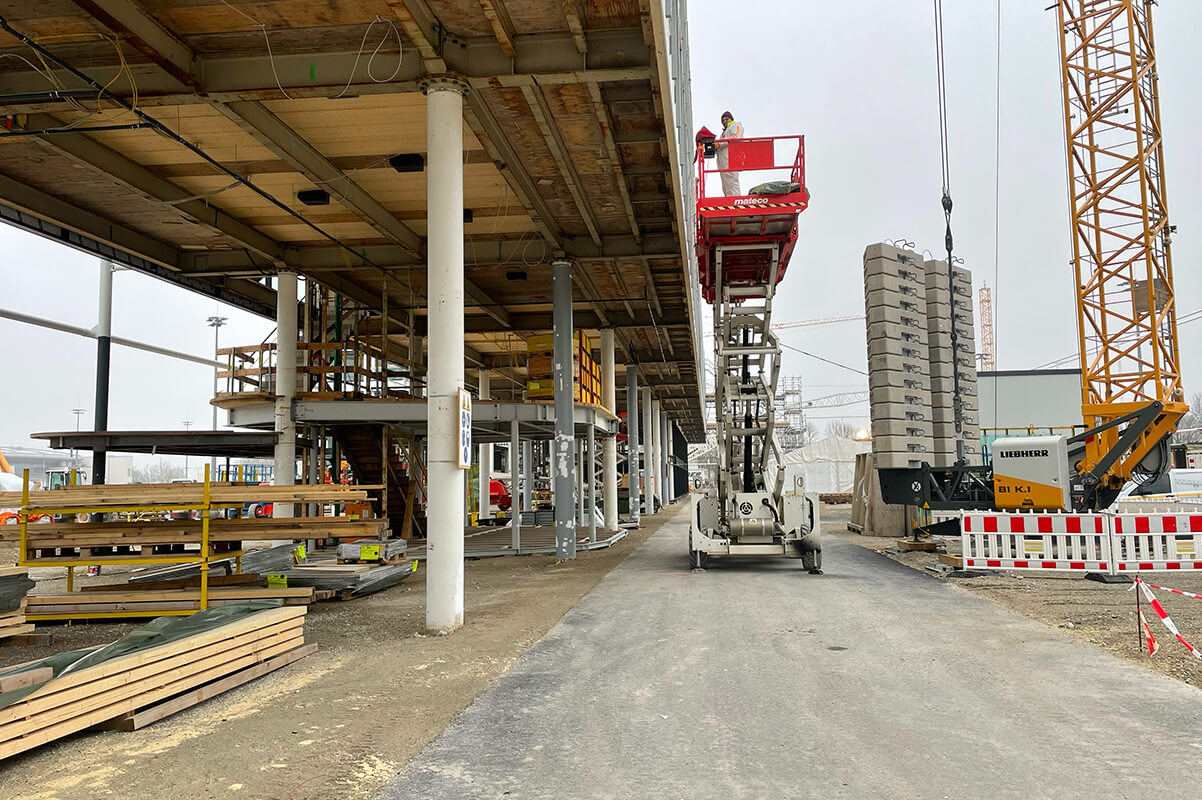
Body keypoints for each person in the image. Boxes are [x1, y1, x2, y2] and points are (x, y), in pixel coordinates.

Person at [716, 111, 744, 196]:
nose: (725, 121)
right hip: (723, 159)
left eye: (726, 119)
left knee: (731, 180)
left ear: (731, 119)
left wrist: (719, 143)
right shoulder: (724, 133)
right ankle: (729, 199)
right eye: (723, 120)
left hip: (731, 157)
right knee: (725, 182)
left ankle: (735, 199)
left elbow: (735, 137)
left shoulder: (736, 125)